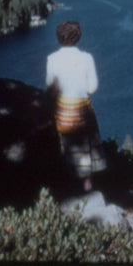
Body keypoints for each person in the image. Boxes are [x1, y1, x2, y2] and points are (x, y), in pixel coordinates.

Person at [46, 20, 106, 192]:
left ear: (59, 37)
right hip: (82, 109)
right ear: (78, 37)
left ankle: (68, 188)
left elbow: (50, 86)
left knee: (66, 146)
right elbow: (92, 88)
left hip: (62, 110)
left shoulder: (52, 59)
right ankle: (87, 188)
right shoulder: (87, 58)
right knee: (86, 147)